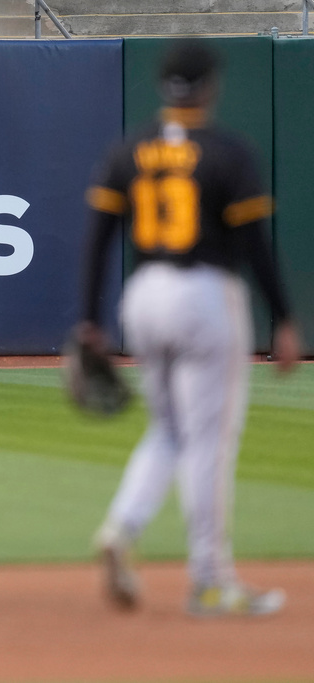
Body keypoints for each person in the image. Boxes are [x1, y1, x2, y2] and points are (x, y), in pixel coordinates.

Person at [78, 39, 301, 617]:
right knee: (209, 441)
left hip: (144, 296)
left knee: (170, 429)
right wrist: (283, 318)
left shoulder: (130, 148)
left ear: (163, 85)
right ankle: (209, 578)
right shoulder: (228, 151)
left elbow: (99, 238)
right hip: (204, 294)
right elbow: (255, 245)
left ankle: (122, 528)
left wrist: (89, 319)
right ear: (210, 86)